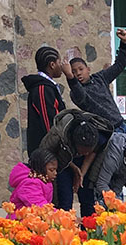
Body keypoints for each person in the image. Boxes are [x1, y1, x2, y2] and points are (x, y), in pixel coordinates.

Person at [61, 31, 126, 142]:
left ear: (88, 69)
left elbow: (119, 65)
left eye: (81, 69)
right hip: (108, 133)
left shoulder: (100, 78)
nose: (78, 73)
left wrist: (124, 42)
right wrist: (69, 77)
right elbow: (80, 95)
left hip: (122, 125)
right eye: (73, 72)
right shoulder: (75, 92)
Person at [23, 46, 73, 210]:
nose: (62, 65)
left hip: (52, 153)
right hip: (46, 154)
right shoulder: (42, 89)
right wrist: (58, 149)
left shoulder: (48, 87)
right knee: (51, 201)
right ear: (52, 64)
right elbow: (49, 124)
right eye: (59, 61)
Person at [39, 109, 114, 214]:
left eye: (88, 151)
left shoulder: (100, 136)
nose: (86, 153)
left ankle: (88, 228)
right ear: (74, 144)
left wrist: (81, 174)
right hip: (63, 162)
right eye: (83, 151)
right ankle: (66, 229)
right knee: (65, 201)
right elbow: (46, 152)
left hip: (87, 165)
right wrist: (74, 168)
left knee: (88, 200)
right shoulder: (59, 134)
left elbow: (93, 153)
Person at [85, 137, 126, 205]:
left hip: (113, 174)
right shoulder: (113, 160)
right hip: (93, 174)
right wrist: (115, 202)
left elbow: (119, 184)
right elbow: (101, 184)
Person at [8, 147, 58, 212]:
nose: (55, 173)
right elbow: (40, 206)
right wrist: (63, 216)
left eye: (55, 170)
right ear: (40, 168)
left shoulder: (44, 181)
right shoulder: (30, 184)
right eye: (51, 170)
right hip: (22, 220)